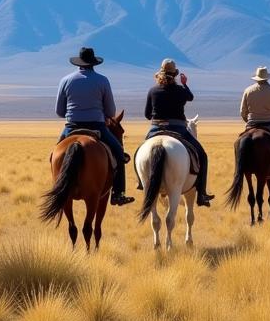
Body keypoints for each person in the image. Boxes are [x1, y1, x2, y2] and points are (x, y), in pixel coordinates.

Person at [56, 47, 134, 206]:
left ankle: (58, 187)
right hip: (97, 126)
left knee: (55, 155)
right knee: (119, 153)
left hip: (71, 127)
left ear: (78, 63)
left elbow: (59, 111)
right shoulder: (103, 80)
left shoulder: (65, 80)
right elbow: (111, 111)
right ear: (94, 63)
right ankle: (118, 193)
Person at [143, 59, 213, 206]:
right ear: (175, 74)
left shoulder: (153, 90)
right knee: (202, 155)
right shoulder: (180, 91)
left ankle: (141, 181)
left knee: (141, 152)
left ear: (160, 73)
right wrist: (185, 83)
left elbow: (147, 114)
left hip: (156, 128)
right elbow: (191, 97)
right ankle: (202, 194)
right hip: (178, 129)